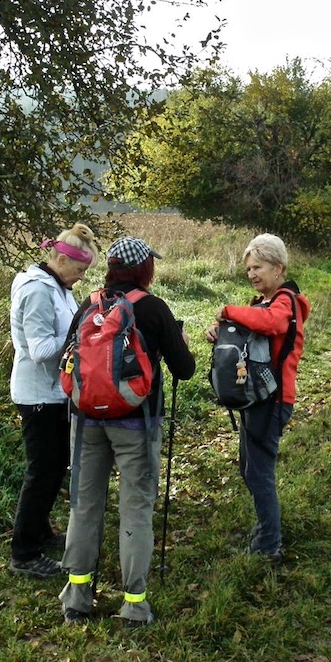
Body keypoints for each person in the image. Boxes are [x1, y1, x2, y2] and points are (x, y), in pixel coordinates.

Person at [60, 236, 196, 627]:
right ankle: (134, 604)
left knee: (84, 507)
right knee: (135, 509)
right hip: (137, 423)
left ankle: (77, 598)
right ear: (144, 269)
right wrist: (179, 342)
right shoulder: (153, 309)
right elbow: (183, 369)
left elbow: (68, 359)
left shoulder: (90, 304)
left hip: (85, 420)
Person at [205, 234, 311, 563]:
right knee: (249, 469)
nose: (252, 274)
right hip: (256, 398)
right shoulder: (260, 303)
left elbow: (271, 323)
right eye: (248, 268)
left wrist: (226, 310)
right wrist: (219, 329)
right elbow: (248, 336)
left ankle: (269, 544)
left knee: (259, 472)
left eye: (259, 267)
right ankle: (267, 528)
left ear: (278, 268)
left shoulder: (284, 302)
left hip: (274, 400)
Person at [8, 224, 99, 579]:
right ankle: (24, 552)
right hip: (37, 397)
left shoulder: (58, 288)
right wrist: (83, 336)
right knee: (42, 472)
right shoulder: (37, 292)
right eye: (78, 270)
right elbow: (40, 349)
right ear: (60, 259)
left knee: (55, 466)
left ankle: (41, 532)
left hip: (55, 394)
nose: (80, 278)